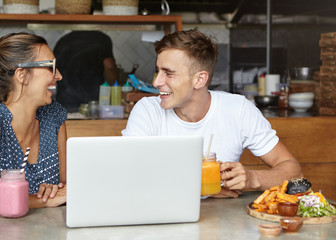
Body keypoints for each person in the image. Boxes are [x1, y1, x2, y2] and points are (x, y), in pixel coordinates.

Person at [122, 29, 303, 198]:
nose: (156, 82)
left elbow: (294, 172)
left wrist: (252, 179)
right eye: (157, 71)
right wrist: (200, 188)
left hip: (222, 224)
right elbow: (128, 175)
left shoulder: (238, 109)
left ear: (200, 79)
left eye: (168, 73)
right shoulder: (147, 110)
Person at [0, 32, 67, 213]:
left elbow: (66, 190)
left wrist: (55, 192)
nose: (59, 76)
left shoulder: (55, 118)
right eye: (51, 67)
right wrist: (41, 201)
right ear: (22, 75)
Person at [54, 31, 119, 112]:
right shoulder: (101, 39)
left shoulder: (63, 40)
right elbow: (110, 68)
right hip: (91, 102)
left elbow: (54, 69)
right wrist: (115, 90)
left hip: (64, 102)